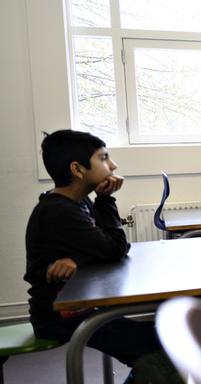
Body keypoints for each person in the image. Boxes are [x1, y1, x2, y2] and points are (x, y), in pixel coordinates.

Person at [25, 130, 181, 383]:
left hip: (81, 307)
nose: (113, 165)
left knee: (162, 337)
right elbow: (115, 248)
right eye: (104, 158)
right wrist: (106, 199)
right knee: (159, 343)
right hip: (60, 317)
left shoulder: (78, 202)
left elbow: (101, 248)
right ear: (77, 169)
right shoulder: (59, 211)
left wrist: (78, 260)